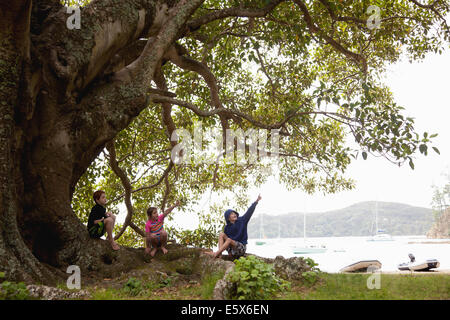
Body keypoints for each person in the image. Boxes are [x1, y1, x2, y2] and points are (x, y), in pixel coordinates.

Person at [208, 194, 261, 259]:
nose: (234, 214)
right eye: (231, 214)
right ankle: (220, 255)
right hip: (233, 250)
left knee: (229, 240)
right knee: (221, 234)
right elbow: (225, 242)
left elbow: (249, 211)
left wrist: (256, 201)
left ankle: (216, 254)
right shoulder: (227, 228)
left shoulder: (242, 220)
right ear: (228, 218)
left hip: (241, 248)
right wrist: (229, 251)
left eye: (234, 213)